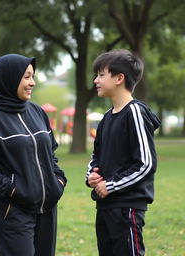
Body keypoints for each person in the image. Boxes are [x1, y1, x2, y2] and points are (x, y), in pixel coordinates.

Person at [0, 53, 67, 256]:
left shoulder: (37, 111)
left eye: (33, 76)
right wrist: (15, 190)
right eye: (26, 77)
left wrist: (58, 181)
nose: (32, 82)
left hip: (47, 208)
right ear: (8, 79)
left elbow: (51, 154)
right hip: (11, 211)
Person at [85, 49, 161, 256]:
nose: (95, 80)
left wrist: (110, 185)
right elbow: (96, 156)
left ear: (119, 78)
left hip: (127, 206)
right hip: (105, 205)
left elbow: (146, 163)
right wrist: (92, 175)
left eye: (101, 74)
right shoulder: (107, 117)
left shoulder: (135, 112)